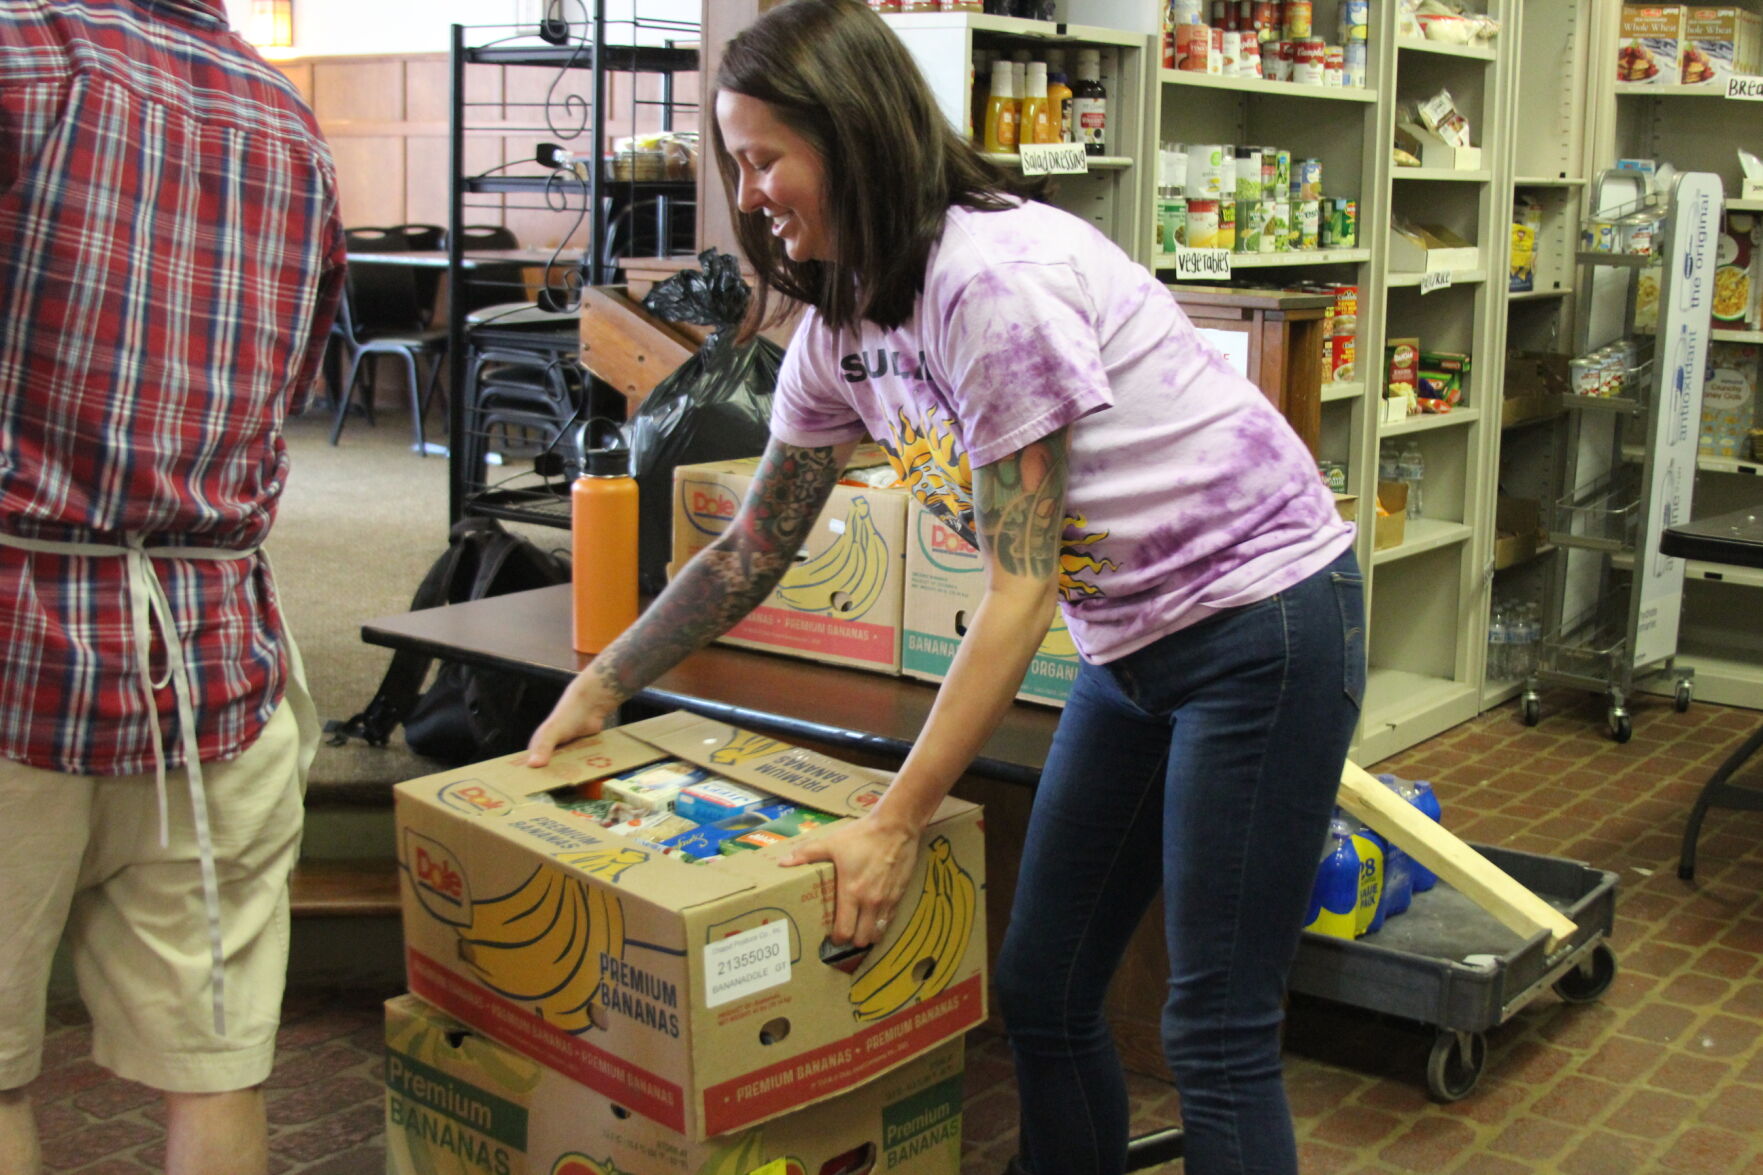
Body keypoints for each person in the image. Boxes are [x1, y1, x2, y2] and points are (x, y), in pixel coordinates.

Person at [525, 1, 1361, 1171]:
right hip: (1128, 641)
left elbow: (1019, 588)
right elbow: (747, 550)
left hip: (1258, 623)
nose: (749, 190)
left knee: (1210, 1025)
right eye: (735, 159)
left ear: (850, 134)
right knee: (1044, 979)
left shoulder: (990, 284)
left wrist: (894, 821)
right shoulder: (840, 330)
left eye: (764, 157)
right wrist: (603, 682)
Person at [0, 2, 344, 1172]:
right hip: (212, 657)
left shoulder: (20, 57)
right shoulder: (289, 121)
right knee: (217, 1072)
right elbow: (297, 375)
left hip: (14, 647)